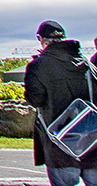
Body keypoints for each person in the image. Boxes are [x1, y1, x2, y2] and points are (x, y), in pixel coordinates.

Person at [27, 20, 97, 185]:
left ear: (41, 39)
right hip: (91, 142)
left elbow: (35, 100)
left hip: (59, 143)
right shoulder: (86, 64)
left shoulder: (37, 66)